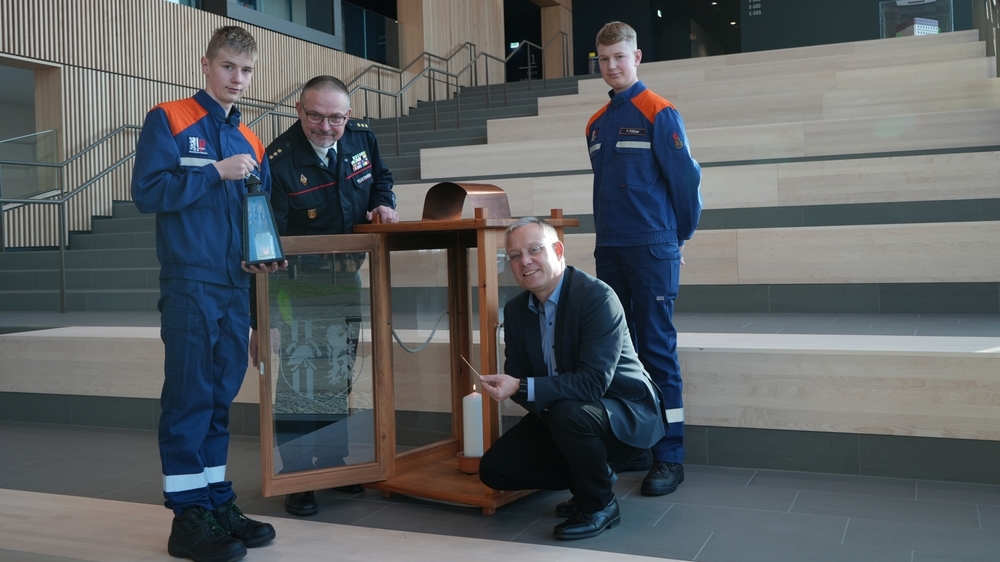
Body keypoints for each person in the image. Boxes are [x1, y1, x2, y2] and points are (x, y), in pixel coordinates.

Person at [132, 26, 284, 562]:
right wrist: (214, 173)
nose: (237, 79)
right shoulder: (170, 119)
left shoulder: (253, 141)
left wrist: (261, 259)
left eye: (245, 70)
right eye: (227, 67)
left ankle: (217, 501)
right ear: (205, 64)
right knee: (189, 397)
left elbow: (255, 217)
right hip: (191, 281)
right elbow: (147, 193)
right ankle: (187, 516)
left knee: (219, 398)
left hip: (235, 285)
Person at [249, 75, 398, 517]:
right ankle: (297, 475)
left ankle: (333, 464)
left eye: (335, 117)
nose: (325, 126)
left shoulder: (361, 138)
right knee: (300, 379)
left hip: (347, 276)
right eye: (315, 115)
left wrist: (384, 201)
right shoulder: (277, 158)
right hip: (297, 284)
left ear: (348, 116)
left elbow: (381, 179)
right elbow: (267, 239)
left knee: (336, 372)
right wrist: (267, 314)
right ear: (299, 110)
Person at [478, 217, 666, 540]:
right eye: (514, 255)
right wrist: (517, 387)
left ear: (558, 250)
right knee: (495, 469)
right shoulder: (516, 310)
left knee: (568, 412)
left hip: (623, 412)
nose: (524, 261)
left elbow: (592, 384)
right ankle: (592, 475)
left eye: (534, 250)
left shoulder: (596, 298)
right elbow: (519, 378)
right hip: (564, 414)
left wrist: (522, 387)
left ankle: (599, 505)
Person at [585, 21, 702, 497]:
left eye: (620, 57)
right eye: (604, 59)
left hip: (652, 247)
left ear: (636, 59)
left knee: (655, 349)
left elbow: (685, 183)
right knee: (620, 353)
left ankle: (669, 455)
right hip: (610, 247)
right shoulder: (595, 122)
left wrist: (676, 239)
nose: (612, 66)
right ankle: (635, 442)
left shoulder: (660, 112)